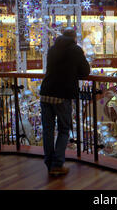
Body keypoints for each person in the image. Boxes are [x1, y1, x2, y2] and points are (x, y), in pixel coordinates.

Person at [39, 27, 90, 176]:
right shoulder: (76, 50)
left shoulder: (53, 49)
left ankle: (49, 163)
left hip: (45, 93)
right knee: (64, 129)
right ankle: (57, 164)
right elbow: (85, 72)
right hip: (62, 95)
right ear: (74, 38)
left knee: (47, 130)